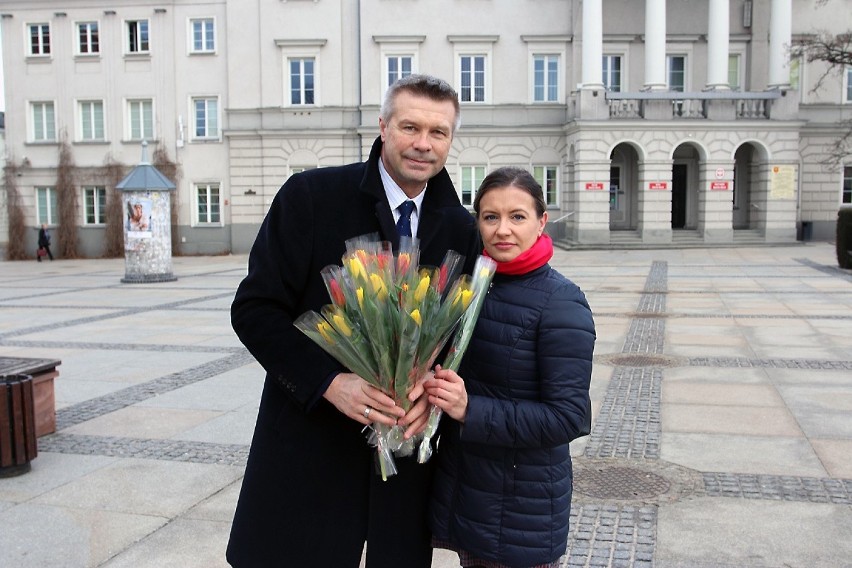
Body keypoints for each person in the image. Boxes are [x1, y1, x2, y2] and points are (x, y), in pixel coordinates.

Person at [227, 74, 481, 568]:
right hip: (309, 451)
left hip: (403, 472)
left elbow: (459, 339)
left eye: (439, 132)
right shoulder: (312, 197)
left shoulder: (459, 227)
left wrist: (432, 393)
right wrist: (328, 382)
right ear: (383, 126)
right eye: (410, 127)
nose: (423, 144)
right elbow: (254, 310)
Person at [425, 167, 595, 568]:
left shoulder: (562, 302)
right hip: (470, 495)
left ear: (541, 222)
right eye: (490, 217)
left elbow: (569, 417)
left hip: (521, 510)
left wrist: (470, 409)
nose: (503, 230)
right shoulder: (472, 287)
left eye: (517, 216)